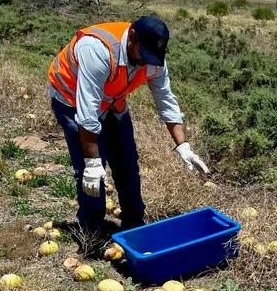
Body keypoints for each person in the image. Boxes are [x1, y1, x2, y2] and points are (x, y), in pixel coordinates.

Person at [48, 16, 208, 235]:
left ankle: (133, 225)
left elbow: (166, 99)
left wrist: (183, 146)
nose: (147, 62)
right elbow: (87, 114)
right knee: (91, 172)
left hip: (112, 101)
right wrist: (93, 162)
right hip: (71, 98)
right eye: (144, 55)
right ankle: (92, 231)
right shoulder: (97, 50)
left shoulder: (153, 58)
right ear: (132, 38)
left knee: (127, 161)